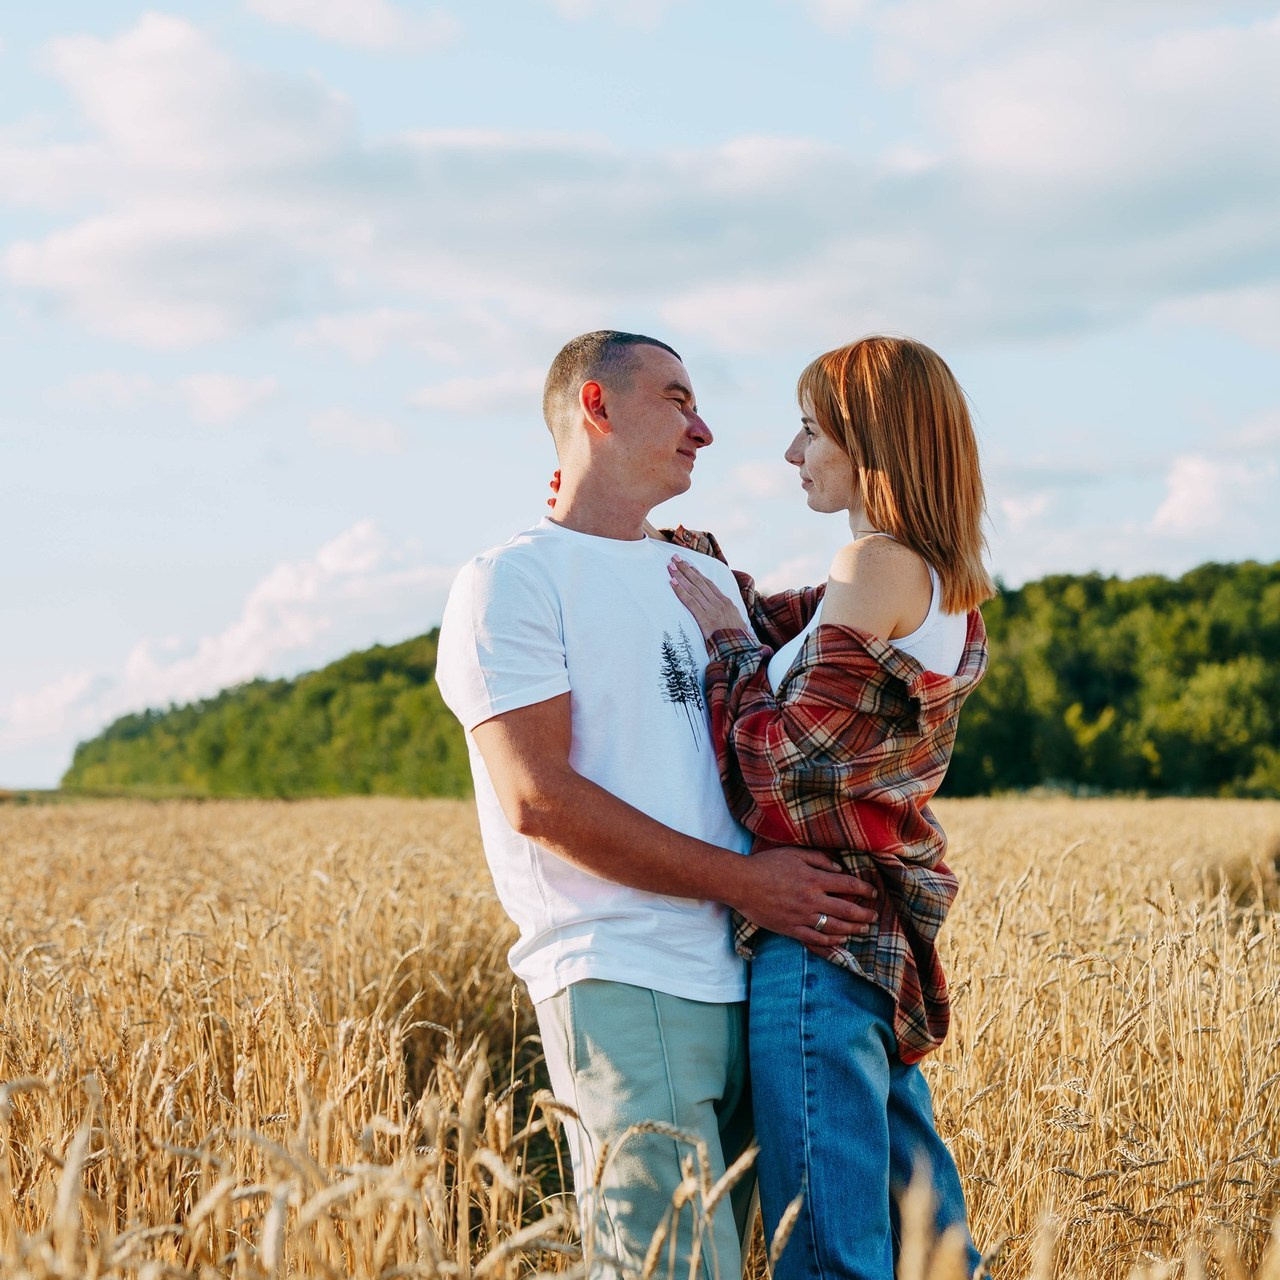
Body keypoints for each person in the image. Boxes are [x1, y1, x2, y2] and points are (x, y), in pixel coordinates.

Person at [434, 330, 877, 1280]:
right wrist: (748, 885)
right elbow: (538, 799)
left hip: (755, 980)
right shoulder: (511, 579)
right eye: (677, 399)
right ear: (596, 405)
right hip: (622, 970)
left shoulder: (708, 580)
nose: (705, 429)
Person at [665, 335, 993, 1280]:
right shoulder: (927, 575)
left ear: (871, 440)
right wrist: (676, 561)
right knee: (930, 1248)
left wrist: (726, 646)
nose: (791, 453)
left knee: (825, 1252)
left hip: (819, 941)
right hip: (869, 943)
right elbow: (777, 626)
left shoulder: (874, 562)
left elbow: (787, 767)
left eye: (810, 430)